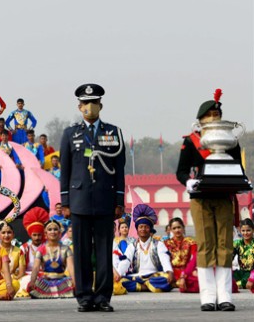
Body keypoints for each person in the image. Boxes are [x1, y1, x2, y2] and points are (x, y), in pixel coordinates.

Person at [60, 83, 125, 313]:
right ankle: (85, 297)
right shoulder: (70, 134)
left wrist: (119, 201)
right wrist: (65, 201)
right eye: (85, 103)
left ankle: (103, 297)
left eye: (93, 102)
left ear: (101, 105)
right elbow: (65, 170)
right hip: (78, 201)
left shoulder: (113, 132)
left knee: (104, 251)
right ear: (79, 106)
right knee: (82, 251)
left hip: (105, 199)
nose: (89, 106)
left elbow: (119, 169)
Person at [176, 89, 242, 311]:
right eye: (210, 115)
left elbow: (236, 167)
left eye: (217, 114)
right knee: (205, 246)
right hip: (201, 198)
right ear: (201, 119)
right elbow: (181, 171)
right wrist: (188, 182)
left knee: (224, 245)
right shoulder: (191, 142)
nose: (214, 118)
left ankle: (225, 296)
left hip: (223, 196)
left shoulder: (229, 140)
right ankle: (207, 296)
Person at [116, 204, 173, 293]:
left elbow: (164, 259)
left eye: (146, 227)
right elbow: (125, 261)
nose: (143, 229)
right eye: (141, 227)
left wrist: (169, 271)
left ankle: (143, 286)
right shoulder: (132, 245)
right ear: (137, 230)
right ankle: (146, 286)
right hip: (137, 276)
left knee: (166, 279)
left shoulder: (158, 244)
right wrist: (118, 274)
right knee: (121, 281)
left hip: (154, 276)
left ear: (150, 229)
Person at [28, 219, 75, 299]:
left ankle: (50, 293)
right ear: (45, 234)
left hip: (62, 280)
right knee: (33, 284)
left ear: (60, 233)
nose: (53, 232)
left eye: (55, 229)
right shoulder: (41, 249)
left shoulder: (66, 249)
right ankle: (58, 293)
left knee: (73, 283)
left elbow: (71, 268)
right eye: (50, 230)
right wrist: (32, 281)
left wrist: (74, 281)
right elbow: (35, 268)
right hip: (46, 281)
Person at [16, 207, 48, 297]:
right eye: (34, 235)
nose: (37, 238)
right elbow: (21, 270)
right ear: (30, 235)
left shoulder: (48, 247)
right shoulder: (24, 248)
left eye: (39, 235)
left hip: (45, 274)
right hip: (27, 275)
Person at [165, 217, 198, 292]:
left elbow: (193, 259)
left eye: (179, 227)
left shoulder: (191, 242)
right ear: (170, 230)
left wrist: (185, 274)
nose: (177, 230)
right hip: (171, 273)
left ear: (183, 228)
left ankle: (176, 284)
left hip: (186, 272)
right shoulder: (166, 243)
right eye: (174, 228)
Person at [233, 218, 254, 291]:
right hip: (241, 273)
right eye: (243, 230)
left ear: (253, 230)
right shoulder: (237, 243)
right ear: (240, 231)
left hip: (252, 274)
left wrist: (252, 278)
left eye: (248, 230)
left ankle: (238, 284)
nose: (245, 233)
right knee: (229, 276)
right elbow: (229, 258)